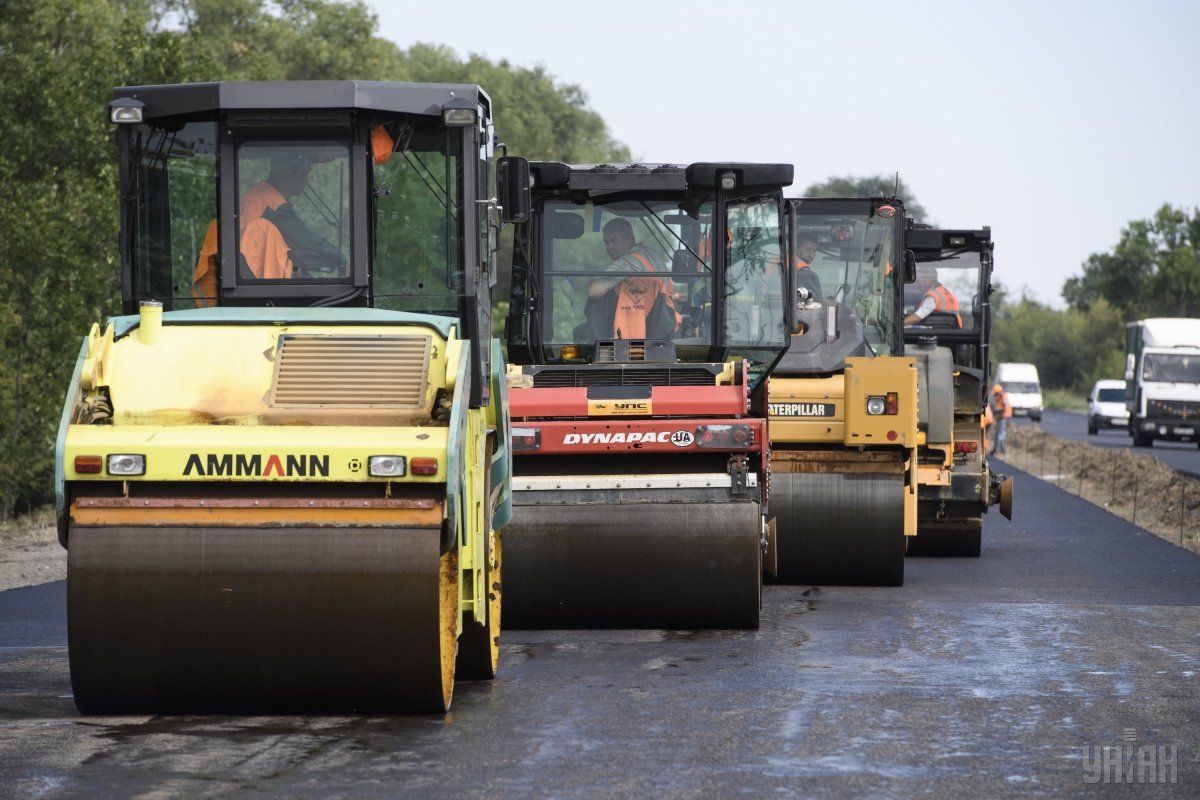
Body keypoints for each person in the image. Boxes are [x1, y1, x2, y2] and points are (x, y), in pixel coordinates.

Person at [191, 154, 348, 303]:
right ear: (293, 174)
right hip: (253, 280)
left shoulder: (258, 196)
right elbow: (307, 240)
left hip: (243, 277)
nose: (305, 179)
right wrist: (341, 258)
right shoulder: (273, 205)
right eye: (305, 173)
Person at [586, 218, 677, 339]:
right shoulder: (651, 254)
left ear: (629, 238)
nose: (609, 246)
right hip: (665, 326)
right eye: (606, 242)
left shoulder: (629, 262)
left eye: (613, 240)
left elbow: (594, 292)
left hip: (635, 329)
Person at [991, 383, 1012, 454]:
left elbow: (1004, 407)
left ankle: (1001, 449)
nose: (995, 396)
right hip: (1001, 416)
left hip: (1003, 417)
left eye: (996, 394)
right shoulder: (1001, 397)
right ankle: (996, 448)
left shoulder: (1003, 398)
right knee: (999, 433)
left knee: (1001, 433)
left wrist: (997, 410)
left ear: (999, 392)